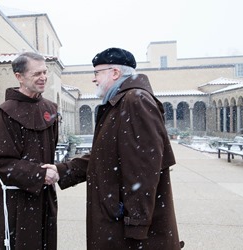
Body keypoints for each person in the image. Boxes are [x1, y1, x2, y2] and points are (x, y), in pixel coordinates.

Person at [43, 47, 184, 249]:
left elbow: (144, 169)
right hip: (117, 220)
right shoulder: (121, 102)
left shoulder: (135, 101)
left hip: (125, 228)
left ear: (115, 73)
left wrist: (137, 223)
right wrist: (63, 170)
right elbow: (104, 156)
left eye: (97, 73)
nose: (94, 79)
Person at [0, 51, 60, 250]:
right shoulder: (6, 112)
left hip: (45, 193)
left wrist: (50, 173)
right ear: (19, 77)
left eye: (45, 72)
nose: (43, 77)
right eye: (37, 73)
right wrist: (39, 174)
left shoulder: (51, 109)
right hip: (18, 198)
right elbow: (1, 161)